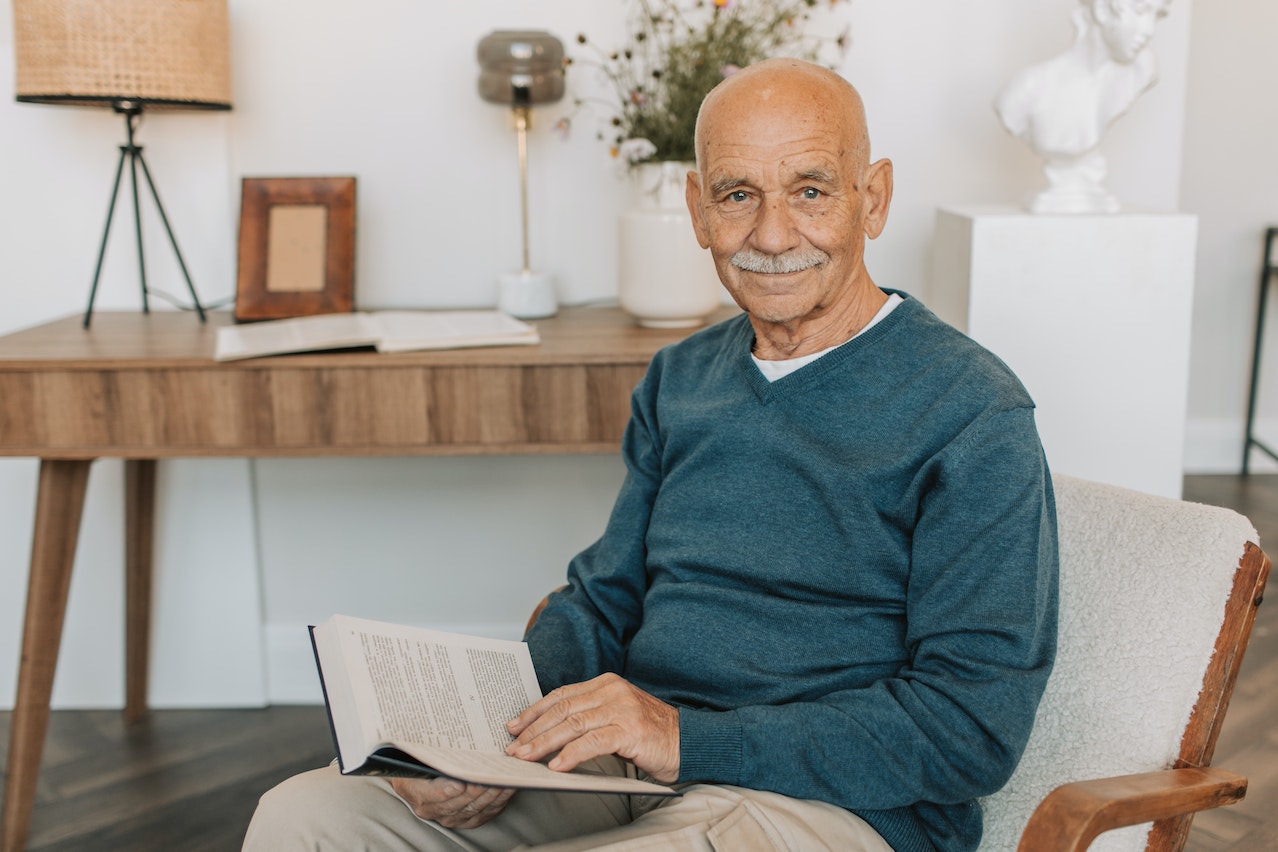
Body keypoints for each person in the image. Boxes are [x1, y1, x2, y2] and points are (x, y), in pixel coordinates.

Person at [244, 58, 1058, 852]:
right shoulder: (682, 377)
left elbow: (970, 729)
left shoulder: (971, 411)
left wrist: (684, 737)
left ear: (871, 199)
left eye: (810, 191)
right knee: (308, 819)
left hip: (833, 808)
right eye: (739, 196)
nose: (773, 234)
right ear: (699, 210)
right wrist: (489, 739)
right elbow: (601, 603)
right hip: (630, 768)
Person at [994, 0, 1173, 213]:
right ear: (1102, 10)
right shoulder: (1026, 90)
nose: (1149, 30)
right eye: (1141, 11)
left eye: (1157, 15)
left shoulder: (1142, 70)